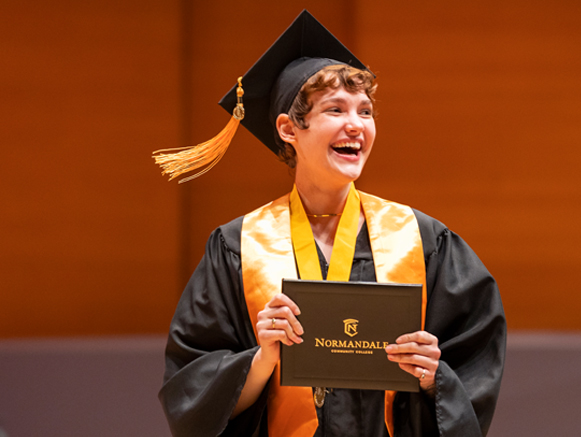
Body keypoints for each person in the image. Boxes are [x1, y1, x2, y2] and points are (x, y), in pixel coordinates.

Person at [157, 10, 505, 437]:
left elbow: (472, 368)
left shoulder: (421, 240)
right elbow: (193, 396)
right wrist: (262, 358)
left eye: (366, 111)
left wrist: (435, 376)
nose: (356, 125)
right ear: (288, 128)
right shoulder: (240, 246)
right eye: (335, 109)